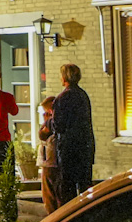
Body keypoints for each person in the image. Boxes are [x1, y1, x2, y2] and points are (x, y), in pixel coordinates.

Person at [50, 62, 95, 201]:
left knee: (67, 187)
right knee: (84, 185)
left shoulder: (62, 98)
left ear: (64, 78)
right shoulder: (83, 96)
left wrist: (47, 123)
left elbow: (58, 125)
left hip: (69, 148)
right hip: (85, 146)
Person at [37, 96, 60, 212]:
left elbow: (42, 134)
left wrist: (46, 122)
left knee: (49, 195)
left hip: (50, 162)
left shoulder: (52, 121)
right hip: (51, 161)